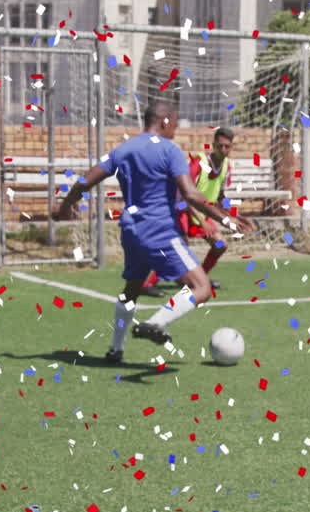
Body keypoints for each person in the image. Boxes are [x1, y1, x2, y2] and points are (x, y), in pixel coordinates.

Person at [53, 102, 253, 363]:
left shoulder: (123, 150)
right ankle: (155, 323)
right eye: (176, 125)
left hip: (131, 231)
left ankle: (116, 350)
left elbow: (86, 180)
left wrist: (65, 206)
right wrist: (227, 219)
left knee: (131, 290)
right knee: (201, 287)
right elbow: (191, 195)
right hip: (161, 230)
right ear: (166, 121)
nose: (176, 131)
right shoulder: (169, 150)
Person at [141, 127, 236, 297]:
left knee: (220, 244)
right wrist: (202, 220)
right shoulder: (198, 162)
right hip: (183, 209)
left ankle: (201, 280)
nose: (222, 150)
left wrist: (230, 214)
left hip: (202, 213)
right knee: (179, 248)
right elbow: (185, 194)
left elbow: (221, 194)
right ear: (213, 145)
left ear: (231, 147)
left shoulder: (227, 166)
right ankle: (147, 284)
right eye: (219, 146)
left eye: (227, 147)